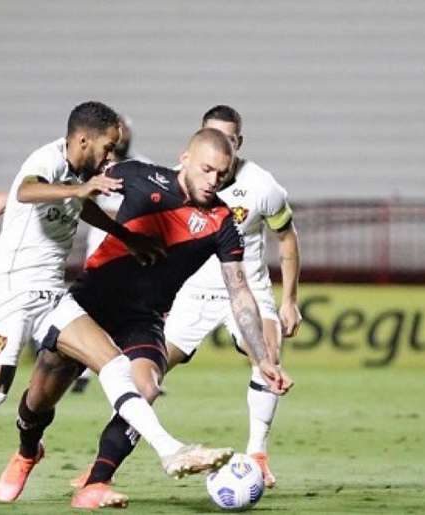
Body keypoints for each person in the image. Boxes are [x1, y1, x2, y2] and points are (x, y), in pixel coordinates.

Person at [0, 101, 233, 506]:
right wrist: (58, 191)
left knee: (114, 365)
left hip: (52, 296)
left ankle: (170, 450)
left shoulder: (82, 174)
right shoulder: (48, 159)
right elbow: (28, 189)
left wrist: (124, 235)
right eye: (108, 147)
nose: (111, 156)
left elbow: (81, 204)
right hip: (8, 293)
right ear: (83, 140)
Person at [0, 127, 293, 509]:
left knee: (146, 387)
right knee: (39, 398)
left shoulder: (222, 222)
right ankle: (26, 452)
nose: (213, 181)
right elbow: (75, 186)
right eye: (206, 170)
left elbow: (239, 292)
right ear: (184, 159)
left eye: (222, 174)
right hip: (90, 304)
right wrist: (7, 200)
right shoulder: (140, 176)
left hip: (144, 318)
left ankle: (96, 483)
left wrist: (263, 358)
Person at [164, 105, 302, 487]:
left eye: (230, 138)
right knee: (146, 372)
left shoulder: (262, 186)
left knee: (268, 359)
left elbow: (287, 237)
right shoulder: (182, 181)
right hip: (192, 293)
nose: (222, 144)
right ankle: (102, 468)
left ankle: (257, 454)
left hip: (249, 289)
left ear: (239, 142)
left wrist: (289, 299)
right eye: (214, 135)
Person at [73, 115, 149, 394]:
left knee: (132, 310)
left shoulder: (144, 165)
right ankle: (80, 368)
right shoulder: (96, 168)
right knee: (90, 310)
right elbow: (83, 203)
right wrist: (118, 219)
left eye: (126, 130)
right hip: (102, 249)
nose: (123, 135)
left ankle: (140, 370)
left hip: (132, 251)